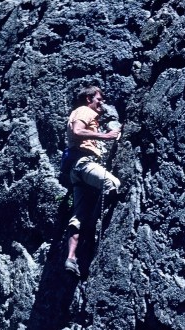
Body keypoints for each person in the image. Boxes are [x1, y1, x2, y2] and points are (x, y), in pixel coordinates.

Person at [64, 85, 121, 277]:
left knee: (77, 216)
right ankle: (92, 227)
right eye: (99, 99)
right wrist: (105, 136)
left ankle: (71, 258)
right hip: (83, 163)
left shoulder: (87, 114)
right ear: (89, 99)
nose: (101, 103)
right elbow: (78, 131)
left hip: (76, 169)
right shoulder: (84, 110)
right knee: (111, 184)